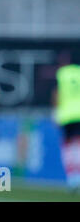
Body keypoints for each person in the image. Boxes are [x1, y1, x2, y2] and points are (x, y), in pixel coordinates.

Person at [53, 62, 80, 193]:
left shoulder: (63, 73)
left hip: (66, 114)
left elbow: (57, 94)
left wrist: (56, 112)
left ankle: (72, 177)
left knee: (68, 146)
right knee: (78, 145)